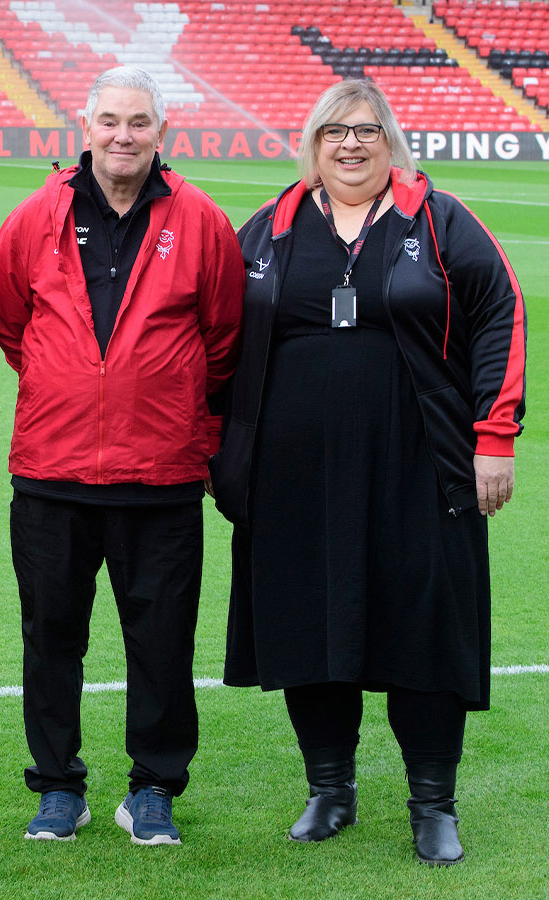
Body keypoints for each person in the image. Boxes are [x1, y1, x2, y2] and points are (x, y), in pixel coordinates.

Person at [211, 79, 526, 866]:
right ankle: (330, 789)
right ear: (312, 146)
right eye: (333, 132)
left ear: (391, 141)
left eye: (366, 130)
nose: (350, 145)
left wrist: (494, 438)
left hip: (420, 465)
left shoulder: (441, 220)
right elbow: (214, 342)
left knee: (423, 624)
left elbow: (501, 315)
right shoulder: (269, 230)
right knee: (308, 623)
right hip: (293, 474)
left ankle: (433, 805)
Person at [0, 65, 243, 847]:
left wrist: (155, 400)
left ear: (161, 134)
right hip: (53, 473)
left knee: (162, 640)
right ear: (85, 128)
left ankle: (154, 786)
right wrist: (79, 388)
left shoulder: (200, 220)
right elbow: (9, 324)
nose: (123, 136)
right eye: (109, 121)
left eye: (138, 123)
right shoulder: (37, 216)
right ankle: (59, 786)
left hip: (159, 475)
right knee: (51, 635)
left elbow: (224, 343)